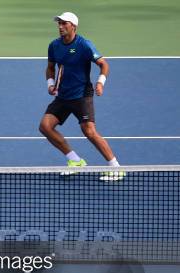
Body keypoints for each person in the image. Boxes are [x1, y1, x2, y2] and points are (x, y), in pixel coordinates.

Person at [38, 12, 124, 181]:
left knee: (89, 131)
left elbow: (103, 64)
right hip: (63, 95)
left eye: (64, 24)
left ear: (73, 26)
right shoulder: (54, 45)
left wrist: (100, 82)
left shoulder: (84, 45)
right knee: (45, 126)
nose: (60, 27)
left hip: (81, 95)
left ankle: (116, 167)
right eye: (59, 23)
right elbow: (50, 67)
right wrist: (50, 84)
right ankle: (75, 160)